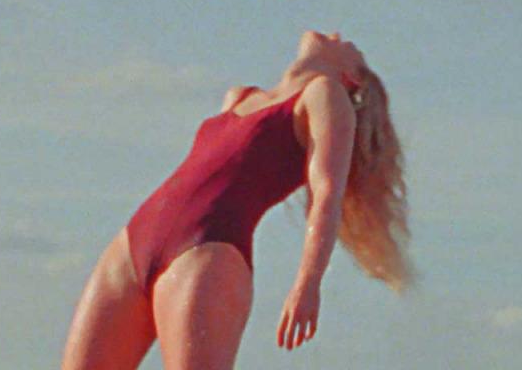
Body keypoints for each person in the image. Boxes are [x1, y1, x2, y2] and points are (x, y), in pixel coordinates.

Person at [61, 31, 412, 370]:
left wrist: (308, 281)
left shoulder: (324, 94)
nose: (336, 34)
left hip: (206, 251)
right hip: (132, 243)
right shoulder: (239, 97)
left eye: (349, 45)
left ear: (350, 77)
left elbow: (326, 195)